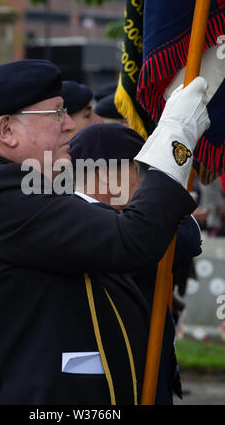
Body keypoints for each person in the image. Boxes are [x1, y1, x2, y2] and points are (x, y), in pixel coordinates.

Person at [0, 58, 209, 405]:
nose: (69, 125)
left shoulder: (9, 188)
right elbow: (132, 241)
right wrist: (176, 137)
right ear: (6, 131)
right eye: (55, 114)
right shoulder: (0, 191)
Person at [69, 123, 202, 404]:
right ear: (104, 176)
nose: (142, 185)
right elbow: (187, 235)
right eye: (136, 171)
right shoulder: (97, 225)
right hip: (120, 383)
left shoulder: (79, 217)